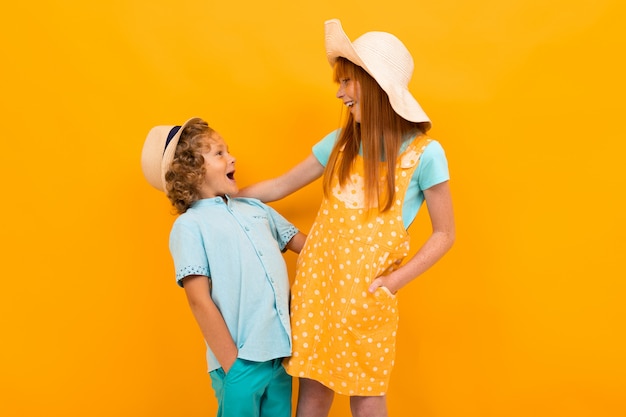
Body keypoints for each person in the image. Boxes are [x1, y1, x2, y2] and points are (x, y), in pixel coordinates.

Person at [237, 19, 455, 417]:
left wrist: (392, 282)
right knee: (314, 391)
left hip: (367, 297)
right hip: (317, 289)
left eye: (347, 82)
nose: (339, 93)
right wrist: (227, 196)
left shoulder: (425, 154)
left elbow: (445, 233)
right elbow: (279, 186)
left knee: (366, 395)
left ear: (374, 84)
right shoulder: (340, 144)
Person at [140, 117, 307, 417]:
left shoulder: (256, 208)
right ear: (191, 171)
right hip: (240, 360)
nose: (232, 158)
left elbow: (308, 248)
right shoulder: (190, 226)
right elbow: (198, 299)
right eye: (219, 153)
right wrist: (233, 364)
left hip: (280, 356)